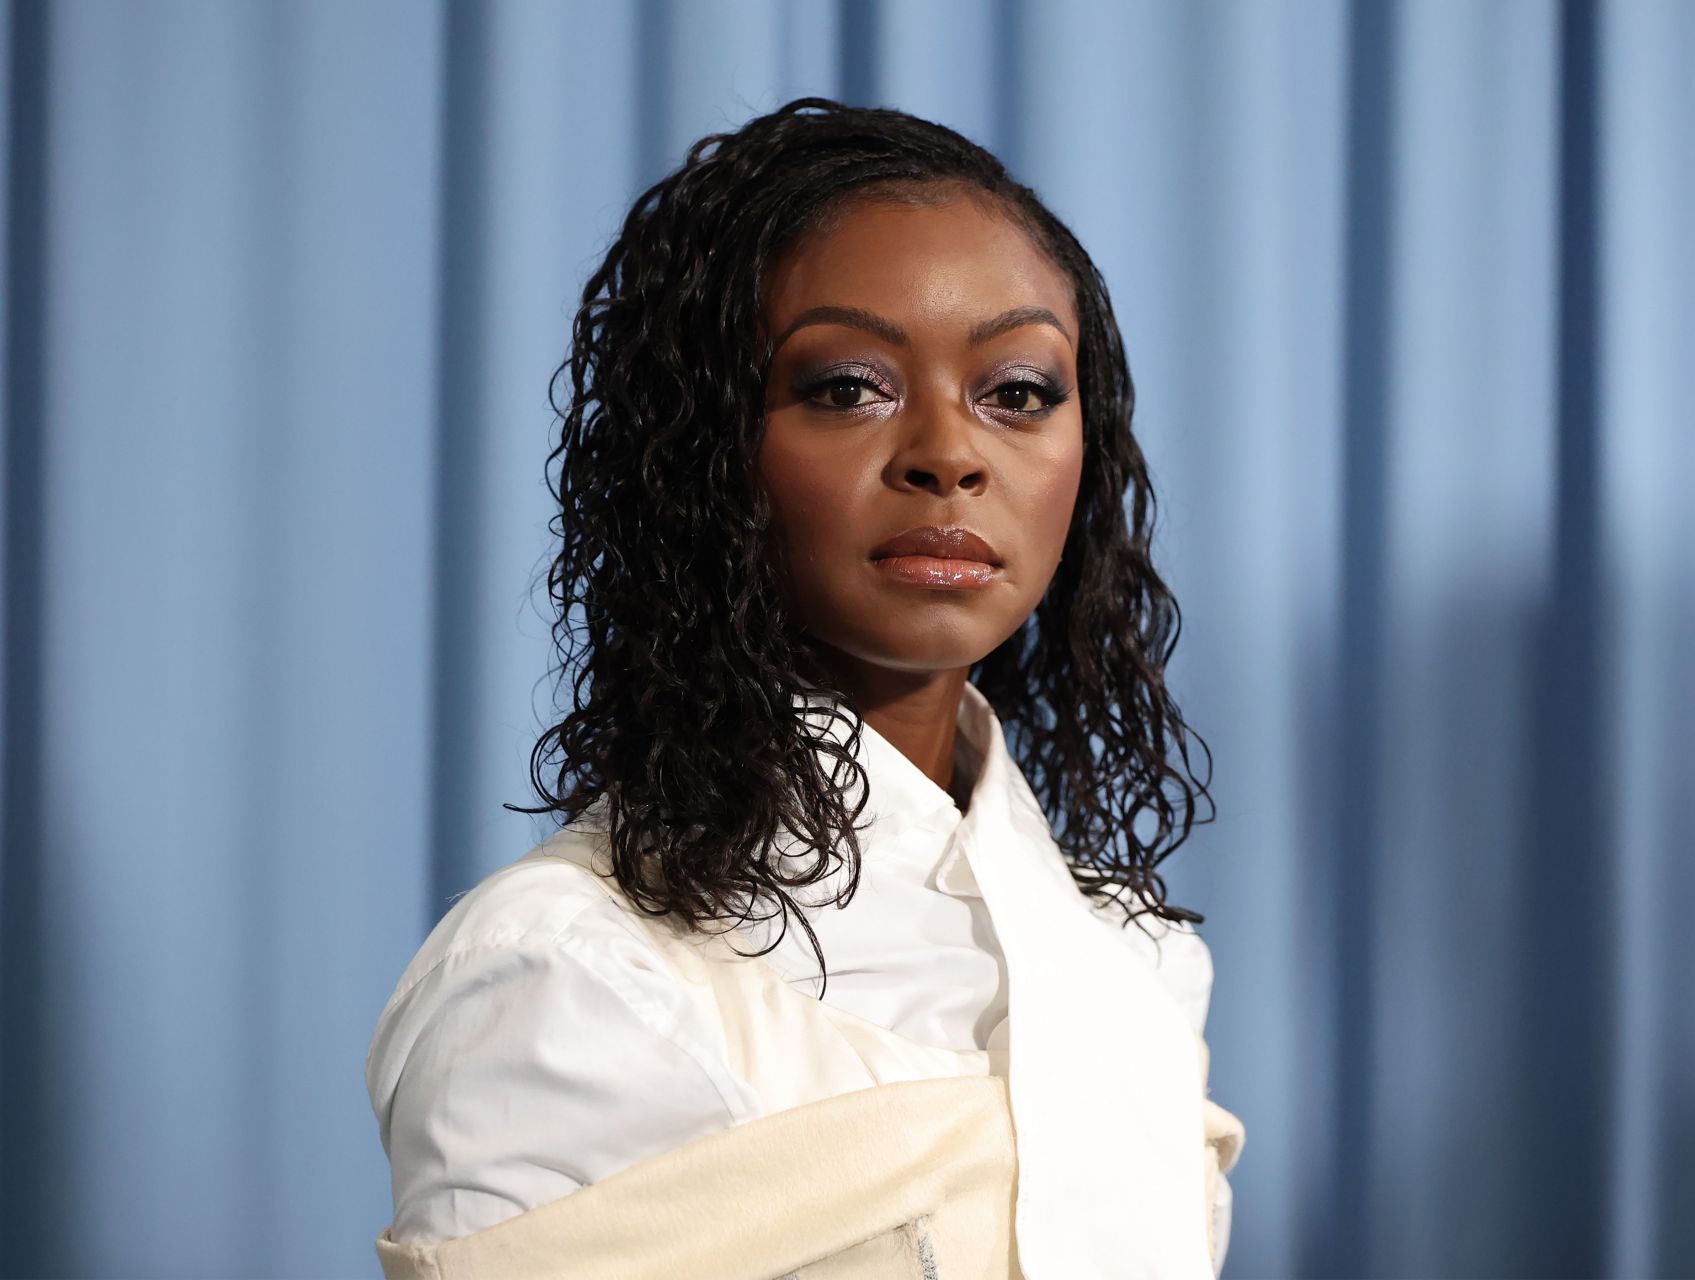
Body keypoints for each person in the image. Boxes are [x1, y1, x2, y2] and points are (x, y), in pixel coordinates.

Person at [365, 97, 1244, 1279]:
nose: (949, 452)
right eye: (846, 386)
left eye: (1018, 390)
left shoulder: (1134, 962)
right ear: (705, 451)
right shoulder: (568, 975)